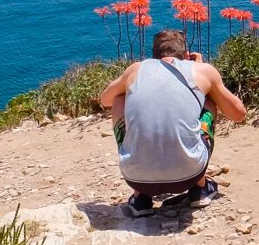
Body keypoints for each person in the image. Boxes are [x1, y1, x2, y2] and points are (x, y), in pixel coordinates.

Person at [98, 29, 247, 217]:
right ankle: (200, 188)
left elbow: (105, 100)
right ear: (186, 56)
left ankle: (141, 198)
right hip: (189, 174)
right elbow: (239, 114)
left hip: (136, 177)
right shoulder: (202, 70)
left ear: (153, 56)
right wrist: (206, 78)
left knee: (119, 97)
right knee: (209, 98)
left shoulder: (137, 69)